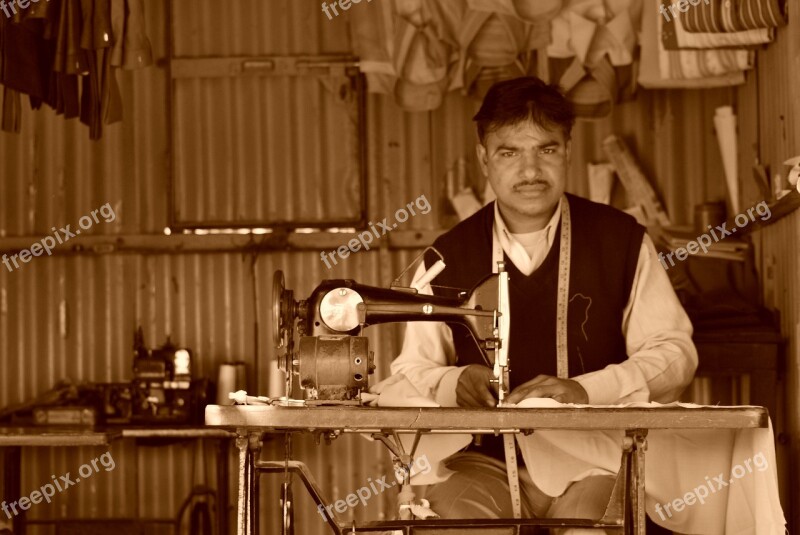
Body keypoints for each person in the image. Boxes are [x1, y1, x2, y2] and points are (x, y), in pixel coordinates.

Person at [390, 76, 698, 533]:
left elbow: (675, 355)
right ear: (484, 158)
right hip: (482, 461)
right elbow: (412, 371)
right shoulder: (446, 258)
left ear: (568, 150)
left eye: (546, 150)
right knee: (455, 526)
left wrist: (588, 391)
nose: (530, 170)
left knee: (596, 529)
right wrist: (455, 382)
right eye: (509, 152)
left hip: (595, 456)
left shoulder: (622, 241)